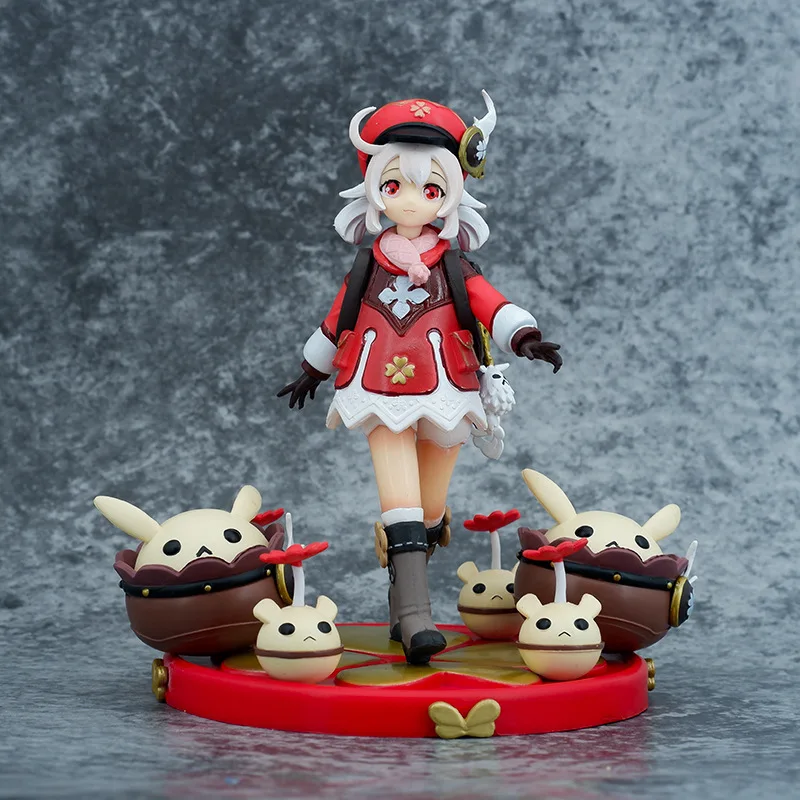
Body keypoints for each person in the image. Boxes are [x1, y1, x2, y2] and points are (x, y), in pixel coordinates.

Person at [278, 91, 562, 664]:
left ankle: (402, 582)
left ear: (451, 194)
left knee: (429, 508)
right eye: (394, 185)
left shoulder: (453, 264)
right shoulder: (368, 264)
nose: (411, 200)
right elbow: (338, 319)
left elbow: (491, 304)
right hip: (376, 389)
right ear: (375, 190)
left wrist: (523, 337)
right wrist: (312, 368)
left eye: (430, 189)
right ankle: (415, 617)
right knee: (400, 500)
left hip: (449, 388)